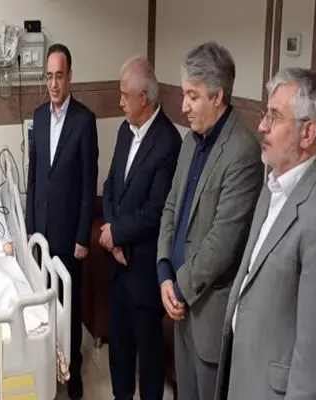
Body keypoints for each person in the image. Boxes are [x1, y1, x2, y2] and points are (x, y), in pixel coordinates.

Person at [215, 68, 316, 399]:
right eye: (264, 114)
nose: (262, 126)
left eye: (275, 117)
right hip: (243, 375)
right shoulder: (272, 187)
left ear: (307, 133)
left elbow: (315, 361)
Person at [156, 42, 263, 400]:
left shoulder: (243, 152)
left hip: (208, 310)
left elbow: (222, 243)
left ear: (218, 97)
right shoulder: (190, 142)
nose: (183, 106)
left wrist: (179, 287)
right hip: (179, 299)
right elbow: (171, 206)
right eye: (184, 94)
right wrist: (163, 270)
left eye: (193, 96)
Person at [101, 56, 182, 400]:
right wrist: (110, 232)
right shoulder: (125, 131)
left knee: (149, 360)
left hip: (145, 271)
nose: (120, 102)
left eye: (124, 95)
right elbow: (110, 185)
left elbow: (156, 211)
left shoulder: (168, 143)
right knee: (119, 351)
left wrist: (117, 234)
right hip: (117, 265)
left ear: (143, 98)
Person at [25, 42, 99, 399]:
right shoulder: (39, 117)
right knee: (44, 304)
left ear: (70, 77)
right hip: (41, 232)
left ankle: (73, 375)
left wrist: (83, 235)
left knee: (69, 306)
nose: (54, 84)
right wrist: (29, 227)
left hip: (70, 234)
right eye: (49, 77)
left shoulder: (84, 121)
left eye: (59, 76)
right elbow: (34, 175)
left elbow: (88, 183)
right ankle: (46, 367)